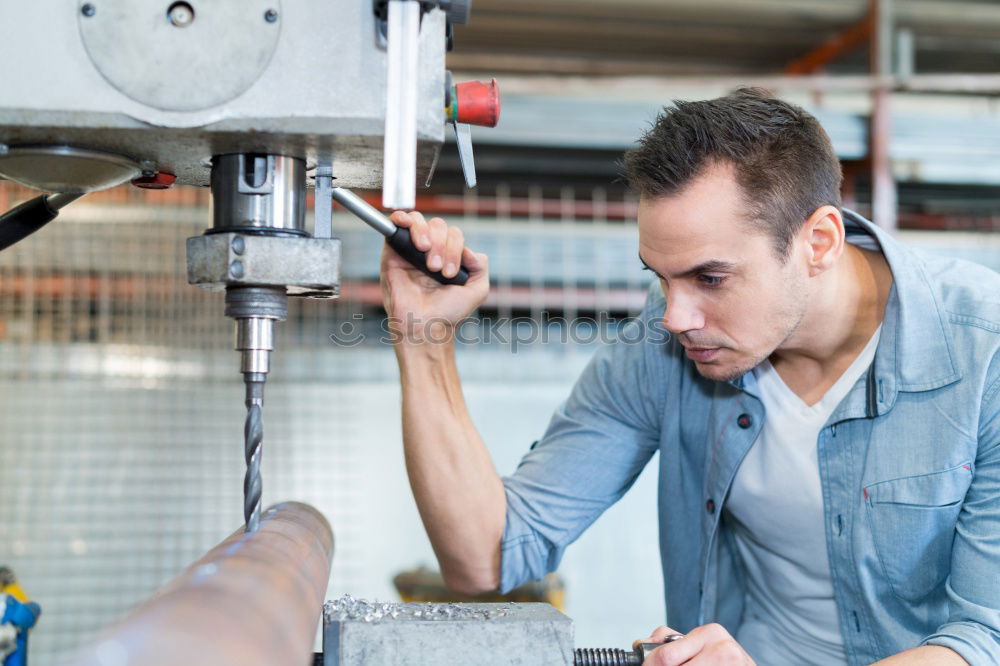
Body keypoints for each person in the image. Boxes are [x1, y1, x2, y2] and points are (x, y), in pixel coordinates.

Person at [379, 88, 1000, 665]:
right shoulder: (664, 347)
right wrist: (422, 340)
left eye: (710, 278)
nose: (675, 317)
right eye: (659, 276)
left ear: (818, 242)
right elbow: (487, 558)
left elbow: (985, 637)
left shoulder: (984, 356)